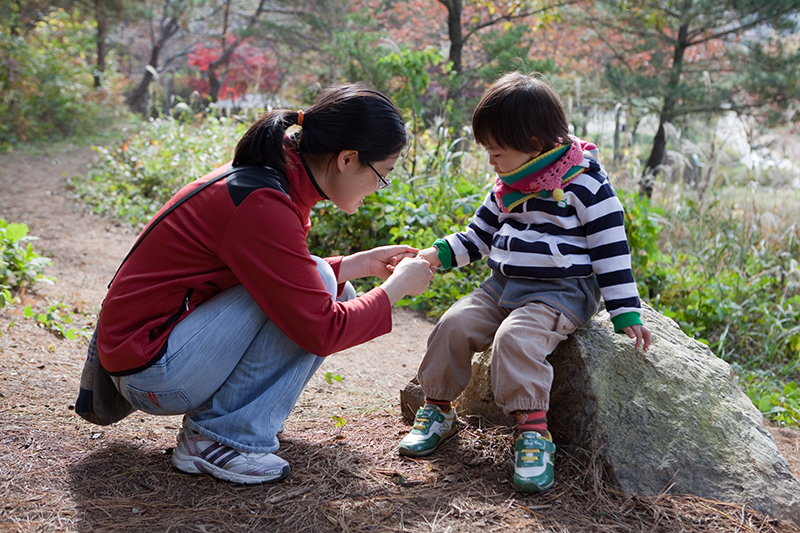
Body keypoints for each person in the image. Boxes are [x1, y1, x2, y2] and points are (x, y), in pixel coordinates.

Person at [96, 84, 435, 485]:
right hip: (152, 371)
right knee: (323, 286)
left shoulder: (269, 180)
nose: (380, 186)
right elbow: (322, 329)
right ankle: (215, 439)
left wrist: (357, 265)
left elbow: (274, 274)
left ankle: (226, 430)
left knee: (331, 284)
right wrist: (396, 287)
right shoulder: (262, 203)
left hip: (153, 352)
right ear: (347, 159)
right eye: (383, 174)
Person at [397, 72, 652, 493]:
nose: (491, 162)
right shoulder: (507, 186)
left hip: (561, 292)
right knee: (453, 324)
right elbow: (477, 236)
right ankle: (438, 408)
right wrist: (437, 255)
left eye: (497, 152)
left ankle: (533, 431)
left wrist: (625, 309)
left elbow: (611, 247)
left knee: (515, 339)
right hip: (504, 284)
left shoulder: (585, 183)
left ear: (534, 143)